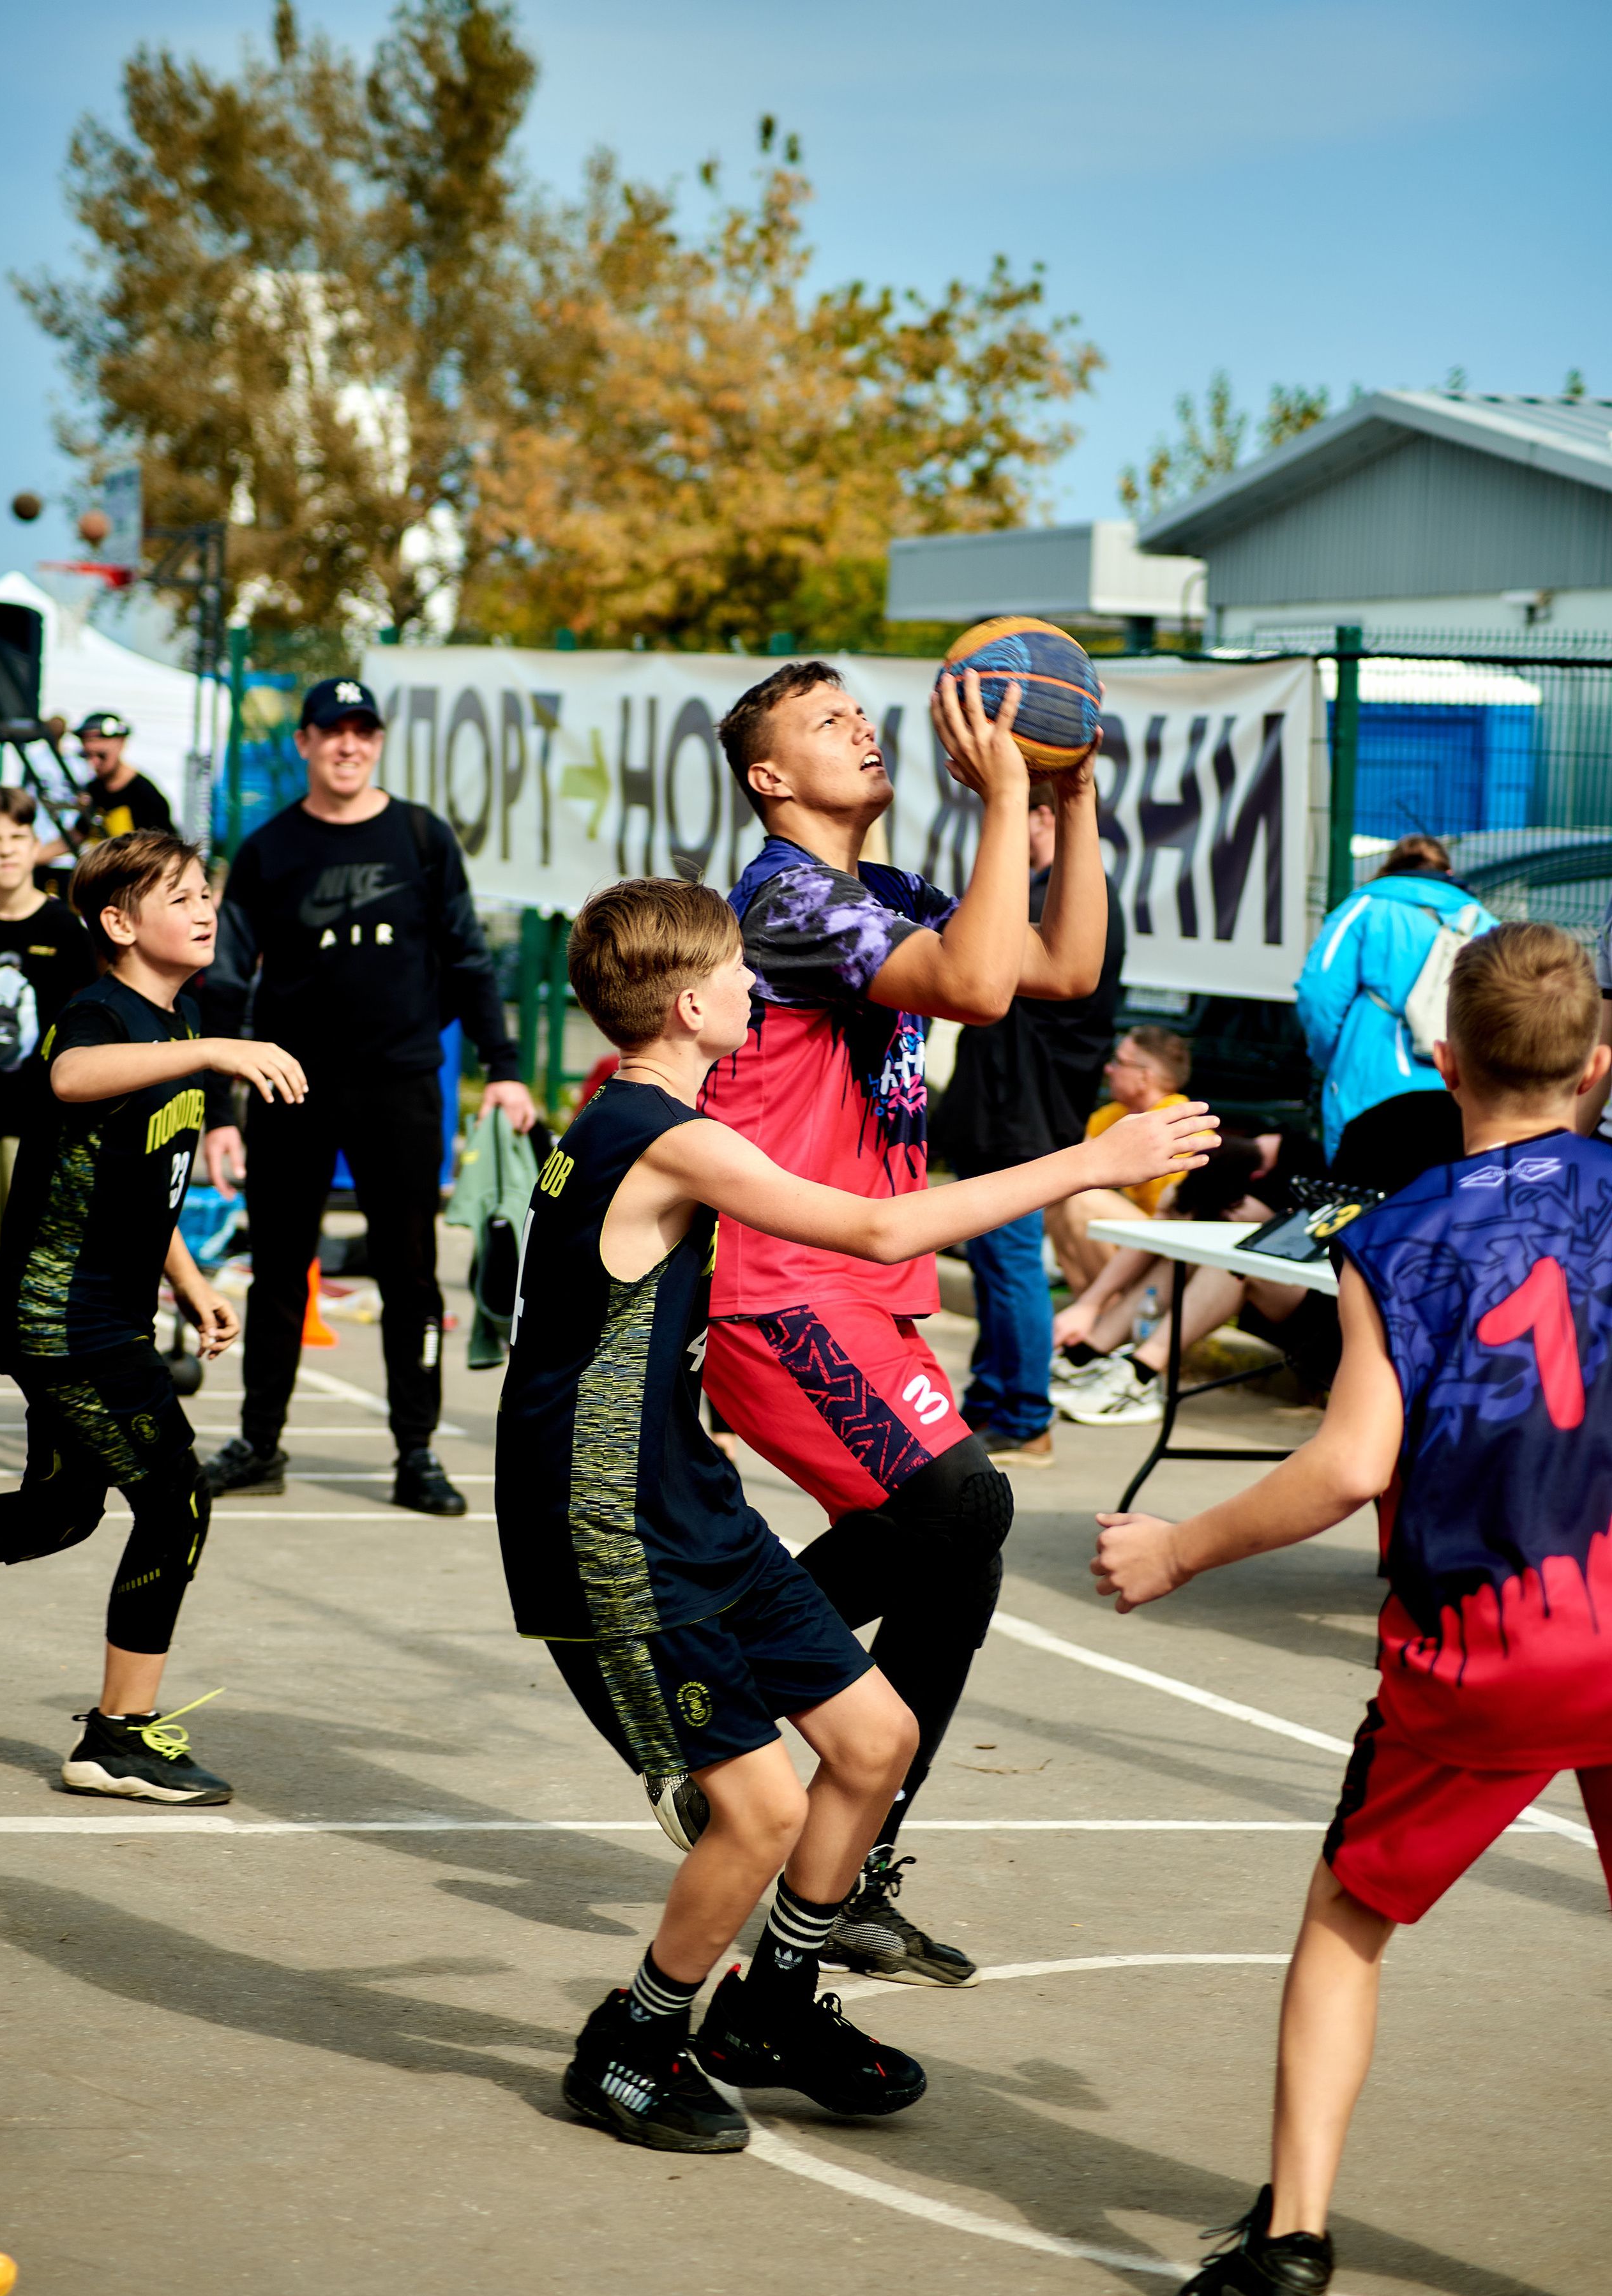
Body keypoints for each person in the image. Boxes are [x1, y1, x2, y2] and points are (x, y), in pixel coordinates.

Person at [504, 877, 1216, 2150]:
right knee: (762, 1809)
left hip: (682, 1498)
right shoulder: (665, 1135)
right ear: (688, 1004)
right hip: (603, 1522)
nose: (752, 990)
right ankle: (634, 2036)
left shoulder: (649, 1108)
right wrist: (1093, 1162)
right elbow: (879, 1224)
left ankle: (769, 2007)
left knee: (875, 1741)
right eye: (737, 977)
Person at [1092, 921, 1612, 2296]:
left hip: (1491, 1630)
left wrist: (1178, 1542)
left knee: (1344, 1921)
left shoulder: (1396, 1233)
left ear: (1440, 1061)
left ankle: (1283, 2256)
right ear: (1597, 1063)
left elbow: (1345, 1463)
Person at [700, 659, 1112, 1985]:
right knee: (949, 1514)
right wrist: (1001, 800)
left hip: (862, 1290)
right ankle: (711, 1722)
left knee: (962, 1551)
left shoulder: (876, 893)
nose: (861, 733)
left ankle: (851, 1864)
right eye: (826, 724)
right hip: (777, 1287)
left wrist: (1074, 794)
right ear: (768, 778)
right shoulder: (784, 896)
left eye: (858, 714)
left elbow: (1057, 963)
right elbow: (982, 992)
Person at [0, 831, 307, 1804]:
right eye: (181, 896)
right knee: (177, 1500)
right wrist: (212, 1049)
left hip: (110, 1310)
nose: (205, 908)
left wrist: (193, 1274)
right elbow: (67, 1080)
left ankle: (117, 1733)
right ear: (120, 924)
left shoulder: (181, 1014)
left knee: (57, 1512)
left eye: (206, 891)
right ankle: (117, 1736)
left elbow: (131, 1181)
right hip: (61, 1316)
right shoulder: (100, 1013)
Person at [197, 677, 535, 1516]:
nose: (348, 744)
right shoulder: (270, 849)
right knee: (277, 1270)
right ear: (305, 743)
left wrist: (506, 1065)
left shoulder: (420, 836)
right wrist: (218, 1110)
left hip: (401, 1085)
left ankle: (416, 1453)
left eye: (363, 730)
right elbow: (228, 984)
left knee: (411, 1276)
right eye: (331, 730)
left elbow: (468, 958)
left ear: (378, 741)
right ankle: (260, 1442)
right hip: (289, 1085)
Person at [935, 771, 1127, 1467]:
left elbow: (975, 957)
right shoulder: (1053, 900)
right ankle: (991, 1402)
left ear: (1041, 819)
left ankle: (1024, 1414)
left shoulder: (1058, 905)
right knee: (993, 1263)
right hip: (1008, 1112)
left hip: (1021, 1115)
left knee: (1011, 1264)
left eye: (1016, 818)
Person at [1053, 1123, 1330, 1427]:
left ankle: (1141, 1374)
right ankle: (1087, 1355)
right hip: (1289, 1280)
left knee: (1231, 1262)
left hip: (1323, 1311)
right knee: (1178, 1257)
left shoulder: (1298, 1171)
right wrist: (1090, 1304)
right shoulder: (1267, 1151)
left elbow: (1272, 1223)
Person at [0, 787, 96, 1469]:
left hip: (40, 1133)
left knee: (41, 1280)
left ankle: (50, 1418)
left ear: (34, 846)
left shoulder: (63, 930)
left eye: (18, 838)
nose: (6, 851)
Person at [1296, 833, 1496, 1162]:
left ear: (1388, 870)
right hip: (1460, 1091)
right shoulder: (1484, 923)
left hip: (1372, 1085)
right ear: (1448, 873)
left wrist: (1328, 1055)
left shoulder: (1365, 907)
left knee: (1365, 1196)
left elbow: (1319, 992)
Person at [1048, 1025, 1194, 1293]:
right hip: (1140, 1232)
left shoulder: (1176, 1120)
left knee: (1084, 1202)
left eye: (1119, 1062)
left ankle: (1108, 1310)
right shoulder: (1114, 1116)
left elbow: (1182, 1218)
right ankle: (1086, 1306)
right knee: (1056, 1201)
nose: (1109, 1069)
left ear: (1144, 1078)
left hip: (1176, 1243)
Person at [68, 713, 177, 843]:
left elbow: (161, 851)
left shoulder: (145, 796)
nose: (93, 763)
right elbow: (76, 836)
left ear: (121, 743)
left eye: (101, 755)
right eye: (87, 756)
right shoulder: (95, 789)